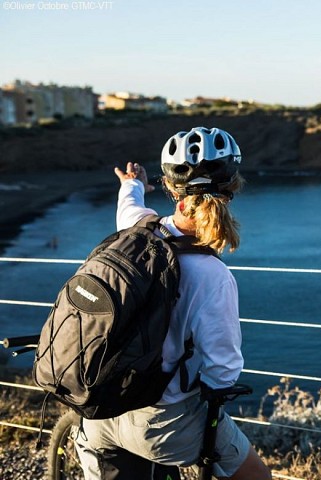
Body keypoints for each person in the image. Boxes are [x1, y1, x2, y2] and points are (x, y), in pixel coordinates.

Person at [75, 127, 272, 480]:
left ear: (171, 189)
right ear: (231, 189)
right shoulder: (213, 276)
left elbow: (129, 207)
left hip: (98, 411)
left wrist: (132, 182)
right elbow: (223, 369)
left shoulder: (136, 232)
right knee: (258, 477)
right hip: (162, 431)